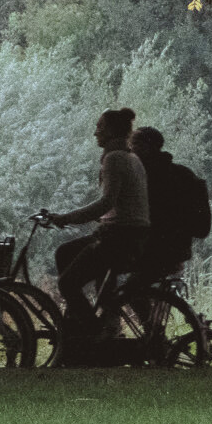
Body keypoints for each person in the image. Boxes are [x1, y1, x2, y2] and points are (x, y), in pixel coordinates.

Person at [45, 107, 150, 336]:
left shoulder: (114, 158)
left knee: (67, 284)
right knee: (64, 252)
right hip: (132, 236)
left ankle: (92, 336)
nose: (95, 133)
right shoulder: (132, 157)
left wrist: (67, 218)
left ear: (112, 131)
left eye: (100, 127)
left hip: (120, 238)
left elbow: (105, 203)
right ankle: (76, 321)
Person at [130, 126, 209, 278]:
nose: (130, 150)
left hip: (154, 248)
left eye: (134, 145)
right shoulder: (182, 173)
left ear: (146, 148)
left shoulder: (148, 177)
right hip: (178, 248)